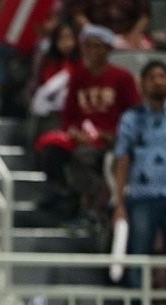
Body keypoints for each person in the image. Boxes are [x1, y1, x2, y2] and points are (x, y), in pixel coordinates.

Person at [37, 25, 140, 223]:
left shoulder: (122, 78)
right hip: (83, 136)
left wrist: (114, 134)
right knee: (51, 150)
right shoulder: (78, 76)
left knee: (84, 156)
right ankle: (68, 194)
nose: (92, 51)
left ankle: (92, 203)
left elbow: (133, 113)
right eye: (88, 46)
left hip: (112, 138)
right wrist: (73, 131)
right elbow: (69, 114)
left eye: (97, 46)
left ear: (108, 49)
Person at [112, 59, 166, 305]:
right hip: (143, 198)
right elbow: (122, 159)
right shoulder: (131, 118)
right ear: (143, 84)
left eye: (163, 76)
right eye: (152, 77)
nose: (158, 81)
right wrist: (119, 203)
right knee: (139, 264)